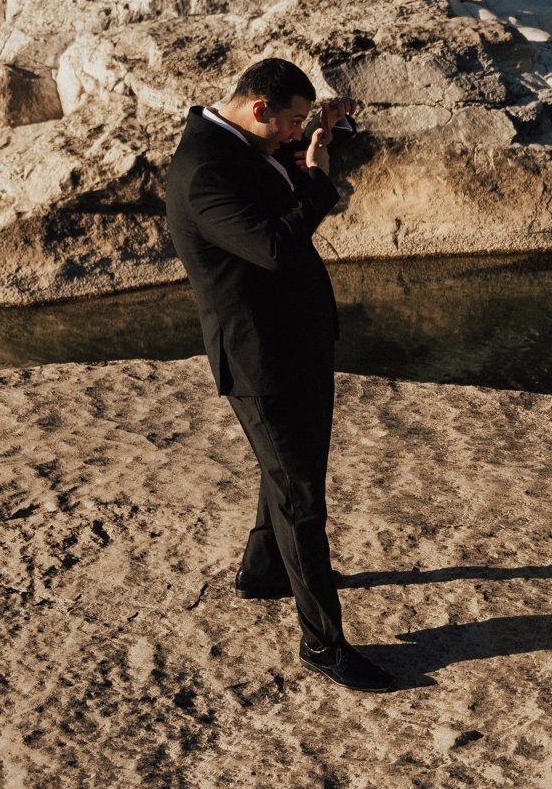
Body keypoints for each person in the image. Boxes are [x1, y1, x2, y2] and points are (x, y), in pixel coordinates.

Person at [164, 57, 395, 693]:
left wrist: (321, 139)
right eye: (291, 121)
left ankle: (263, 572)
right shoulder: (206, 170)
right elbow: (271, 244)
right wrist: (318, 185)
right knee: (301, 498)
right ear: (260, 108)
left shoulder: (238, 144)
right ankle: (323, 644)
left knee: (290, 472)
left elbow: (279, 180)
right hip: (260, 356)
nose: (297, 134)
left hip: (292, 342)